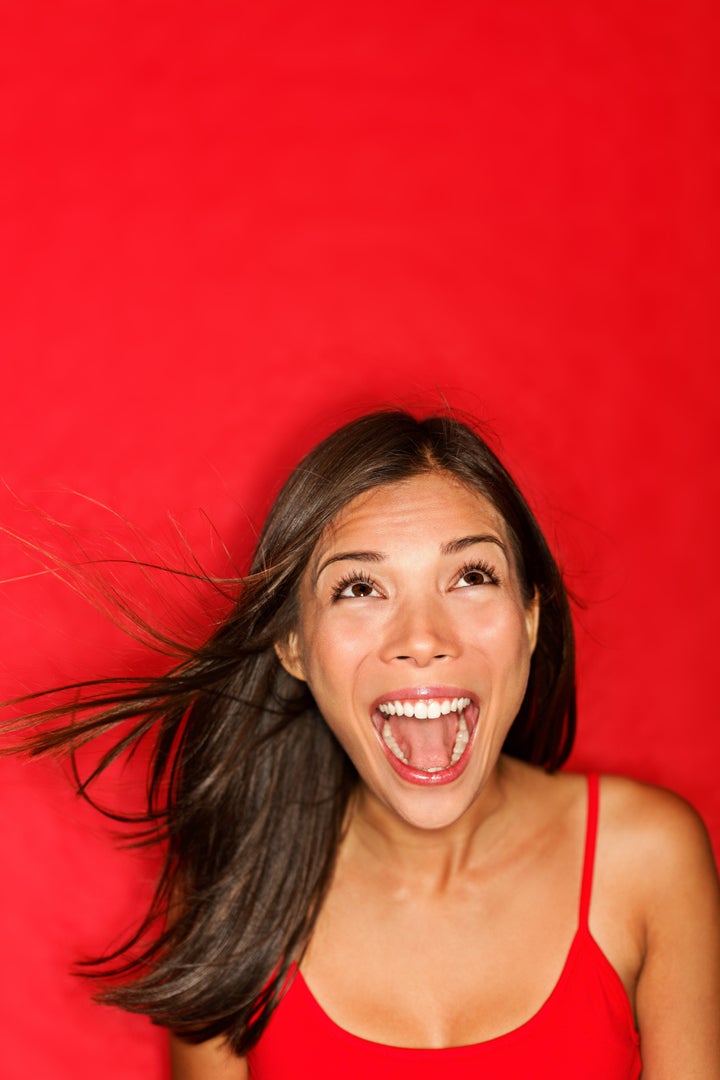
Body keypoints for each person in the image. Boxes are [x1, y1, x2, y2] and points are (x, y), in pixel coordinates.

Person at [6, 410, 719, 1078]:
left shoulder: (647, 859)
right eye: (359, 588)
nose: (422, 639)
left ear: (531, 617)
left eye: (471, 576)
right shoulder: (238, 889)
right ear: (292, 644)